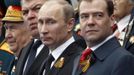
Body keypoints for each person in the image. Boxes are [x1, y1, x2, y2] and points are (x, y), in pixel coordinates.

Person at [73, 0, 134, 75]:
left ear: (112, 20)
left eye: (98, 15)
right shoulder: (79, 58)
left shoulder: (123, 60)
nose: (90, 22)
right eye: (84, 16)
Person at [37, 0, 86, 75]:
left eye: (51, 22)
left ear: (70, 24)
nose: (43, 30)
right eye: (40, 22)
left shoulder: (79, 60)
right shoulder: (47, 59)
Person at [15, 0, 49, 75]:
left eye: (37, 8)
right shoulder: (24, 50)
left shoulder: (70, 44)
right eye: (25, 12)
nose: (30, 16)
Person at [2, 5, 32, 75]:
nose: (7, 35)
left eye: (12, 28)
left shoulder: (36, 61)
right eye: (6, 28)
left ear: (30, 30)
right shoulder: (15, 58)